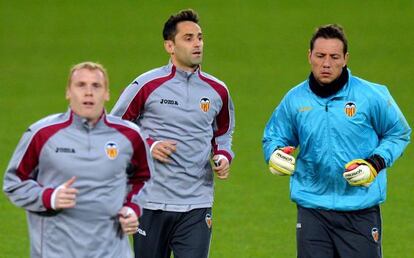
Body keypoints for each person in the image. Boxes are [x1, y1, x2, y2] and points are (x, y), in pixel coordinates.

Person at [262, 24, 411, 258]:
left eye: (334, 57)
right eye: (320, 56)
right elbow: (274, 136)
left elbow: (399, 133)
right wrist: (275, 154)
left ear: (346, 59)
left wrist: (374, 164)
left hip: (360, 210)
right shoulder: (295, 99)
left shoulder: (371, 95)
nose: (326, 63)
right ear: (309, 56)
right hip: (313, 210)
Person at [111, 9, 235, 258]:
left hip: (197, 203)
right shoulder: (146, 85)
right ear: (170, 45)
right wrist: (149, 145)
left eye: (200, 37)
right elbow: (115, 127)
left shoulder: (217, 91)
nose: (197, 44)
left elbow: (223, 132)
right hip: (151, 201)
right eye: (188, 38)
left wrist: (223, 155)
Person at [3, 62, 152, 258]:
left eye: (96, 86)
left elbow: (145, 178)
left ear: (107, 93)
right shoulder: (42, 134)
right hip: (56, 252)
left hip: (112, 252)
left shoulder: (130, 136)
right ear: (68, 92)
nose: (88, 92)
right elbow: (13, 183)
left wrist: (132, 208)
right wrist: (49, 197)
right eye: (81, 85)